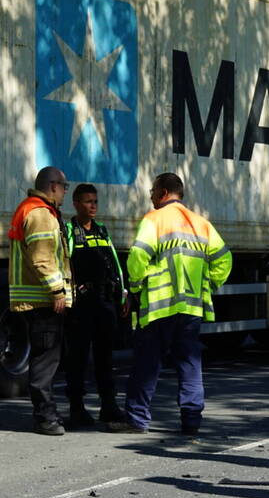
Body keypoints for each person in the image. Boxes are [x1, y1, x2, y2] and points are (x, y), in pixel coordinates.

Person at [107, 173, 233, 434]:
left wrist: (135, 286)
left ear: (164, 192)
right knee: (189, 365)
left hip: (159, 307)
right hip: (190, 308)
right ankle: (191, 421)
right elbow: (224, 260)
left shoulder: (154, 220)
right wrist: (208, 284)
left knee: (147, 364)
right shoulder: (201, 224)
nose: (151, 196)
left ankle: (137, 420)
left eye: (153, 191)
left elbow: (138, 257)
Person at [8, 167, 74, 436]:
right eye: (65, 187)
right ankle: (46, 418)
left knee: (45, 357)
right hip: (43, 301)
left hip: (36, 300)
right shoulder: (40, 214)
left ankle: (48, 415)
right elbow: (42, 259)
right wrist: (57, 291)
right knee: (45, 361)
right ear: (54, 186)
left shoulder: (33, 209)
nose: (65, 193)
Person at [63, 184, 127, 429]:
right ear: (76, 204)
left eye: (95, 202)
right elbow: (64, 264)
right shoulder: (69, 230)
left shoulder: (101, 231)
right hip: (81, 306)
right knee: (77, 358)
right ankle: (77, 409)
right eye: (88, 201)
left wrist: (122, 294)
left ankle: (108, 405)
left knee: (105, 357)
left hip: (105, 303)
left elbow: (114, 265)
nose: (93, 206)